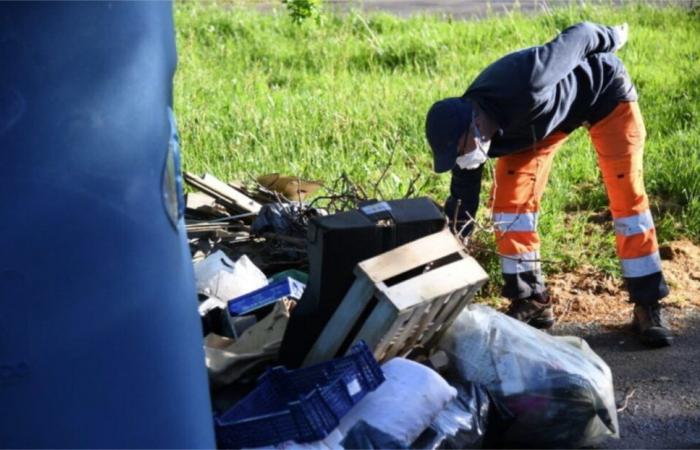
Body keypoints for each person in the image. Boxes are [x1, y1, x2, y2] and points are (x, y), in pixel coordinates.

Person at [425, 22, 672, 347]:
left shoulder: (527, 80)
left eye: (461, 150)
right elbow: (463, 203)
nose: (464, 158)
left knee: (626, 197)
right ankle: (532, 299)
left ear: (475, 124)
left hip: (602, 91)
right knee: (510, 202)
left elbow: (581, 36)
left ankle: (648, 304)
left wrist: (615, 36)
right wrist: (449, 251)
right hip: (543, 123)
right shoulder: (472, 141)